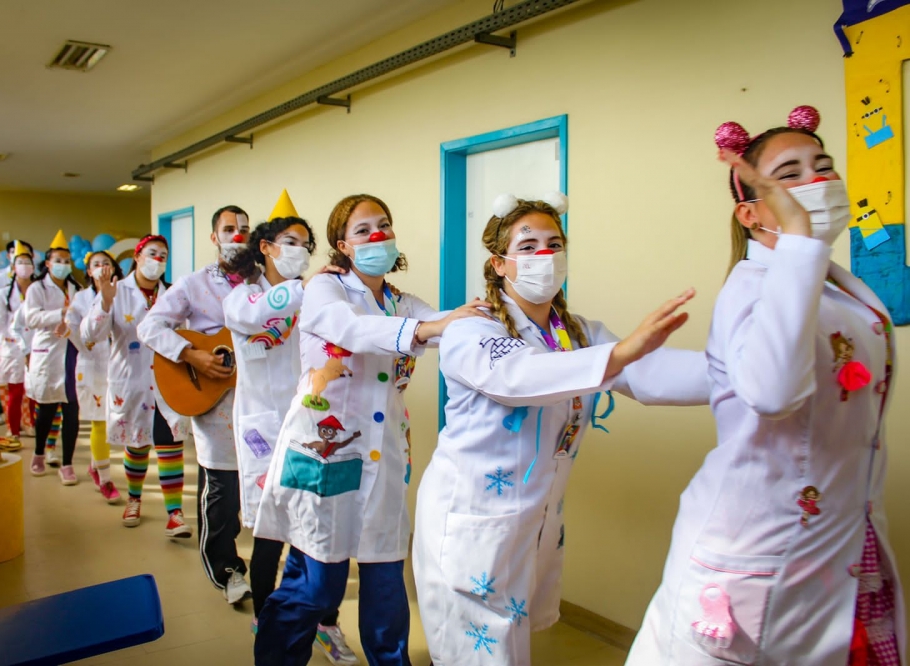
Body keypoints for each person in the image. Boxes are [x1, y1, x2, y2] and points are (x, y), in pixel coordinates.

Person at [626, 106, 904, 665]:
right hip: (758, 552)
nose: (818, 180)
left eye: (823, 164)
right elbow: (773, 395)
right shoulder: (750, 290)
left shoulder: (843, 292)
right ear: (751, 213)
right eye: (791, 174)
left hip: (839, 545)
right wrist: (800, 237)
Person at [412, 193, 710, 666]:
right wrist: (621, 353)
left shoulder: (578, 333)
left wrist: (741, 375)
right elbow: (518, 378)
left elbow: (647, 372)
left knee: (508, 646)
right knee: (479, 656)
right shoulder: (472, 329)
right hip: (472, 517)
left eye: (554, 244)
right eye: (528, 247)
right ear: (499, 264)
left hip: (529, 521)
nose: (544, 256)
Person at [252, 194, 489, 666]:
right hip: (325, 453)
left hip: (383, 457)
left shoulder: (399, 300)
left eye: (383, 225)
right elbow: (353, 330)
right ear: (343, 244)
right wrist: (427, 329)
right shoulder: (326, 288)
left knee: (385, 586)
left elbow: (443, 325)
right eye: (363, 230)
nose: (377, 235)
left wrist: (487, 316)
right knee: (317, 586)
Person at [223, 212, 353, 661]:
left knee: (323, 523)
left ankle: (326, 621)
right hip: (263, 427)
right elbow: (262, 312)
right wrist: (309, 286)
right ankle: (267, 622)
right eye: (289, 241)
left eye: (304, 242)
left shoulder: (316, 297)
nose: (298, 249)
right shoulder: (242, 298)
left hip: (310, 420)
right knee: (269, 532)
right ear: (266, 247)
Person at [139, 204, 252, 602]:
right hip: (213, 396)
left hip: (258, 400)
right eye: (228, 228)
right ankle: (227, 571)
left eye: (243, 228)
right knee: (220, 491)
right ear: (213, 237)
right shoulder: (192, 284)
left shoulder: (266, 283)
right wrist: (191, 354)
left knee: (257, 484)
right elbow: (150, 326)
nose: (236, 234)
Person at [82, 234, 191, 539]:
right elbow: (90, 334)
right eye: (152, 253)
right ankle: (134, 499)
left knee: (170, 444)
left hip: (168, 381)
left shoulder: (173, 294)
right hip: (131, 381)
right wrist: (104, 299)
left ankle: (174, 513)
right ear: (138, 256)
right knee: (138, 442)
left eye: (163, 256)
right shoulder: (117, 291)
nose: (158, 260)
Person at [24, 231, 82, 484]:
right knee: (46, 410)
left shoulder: (77, 289)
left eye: (66, 261)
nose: (63, 266)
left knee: (72, 412)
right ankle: (39, 454)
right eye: (58, 261)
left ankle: (67, 464)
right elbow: (32, 318)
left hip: (72, 354)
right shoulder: (38, 288)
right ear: (47, 264)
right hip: (48, 353)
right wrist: (62, 312)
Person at [66, 251, 122, 503]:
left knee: (113, 421)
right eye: (96, 265)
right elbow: (75, 331)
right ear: (89, 272)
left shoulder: (123, 293)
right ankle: (106, 479)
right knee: (100, 421)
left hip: (119, 366)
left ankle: (94, 465)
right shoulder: (80, 299)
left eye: (106, 264)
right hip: (93, 366)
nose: (101, 268)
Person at [0, 242, 36, 438]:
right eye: (20, 262)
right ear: (13, 267)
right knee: (15, 391)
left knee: (34, 392)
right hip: (12, 349)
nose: (24, 266)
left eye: (27, 262)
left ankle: (31, 424)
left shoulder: (39, 290)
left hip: (36, 348)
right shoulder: (3, 294)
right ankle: (13, 430)